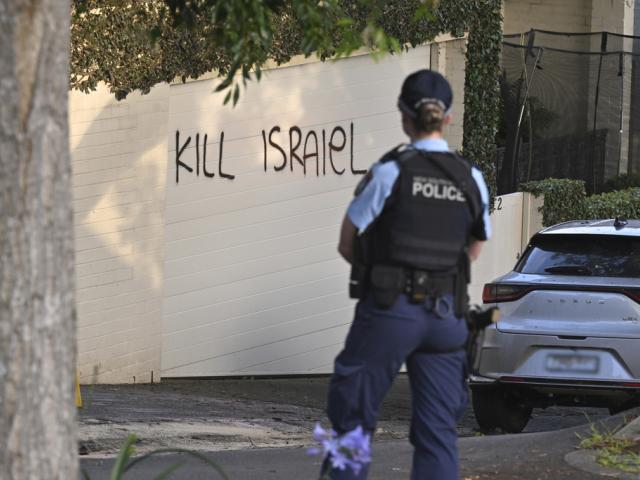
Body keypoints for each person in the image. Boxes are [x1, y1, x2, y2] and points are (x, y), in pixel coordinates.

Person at [324, 69, 491, 480]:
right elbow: (472, 250)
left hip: (388, 312)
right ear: (448, 118)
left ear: (404, 116)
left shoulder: (390, 171)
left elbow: (348, 243)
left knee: (354, 420)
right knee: (438, 433)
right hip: (446, 318)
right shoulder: (472, 179)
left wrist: (385, 277)